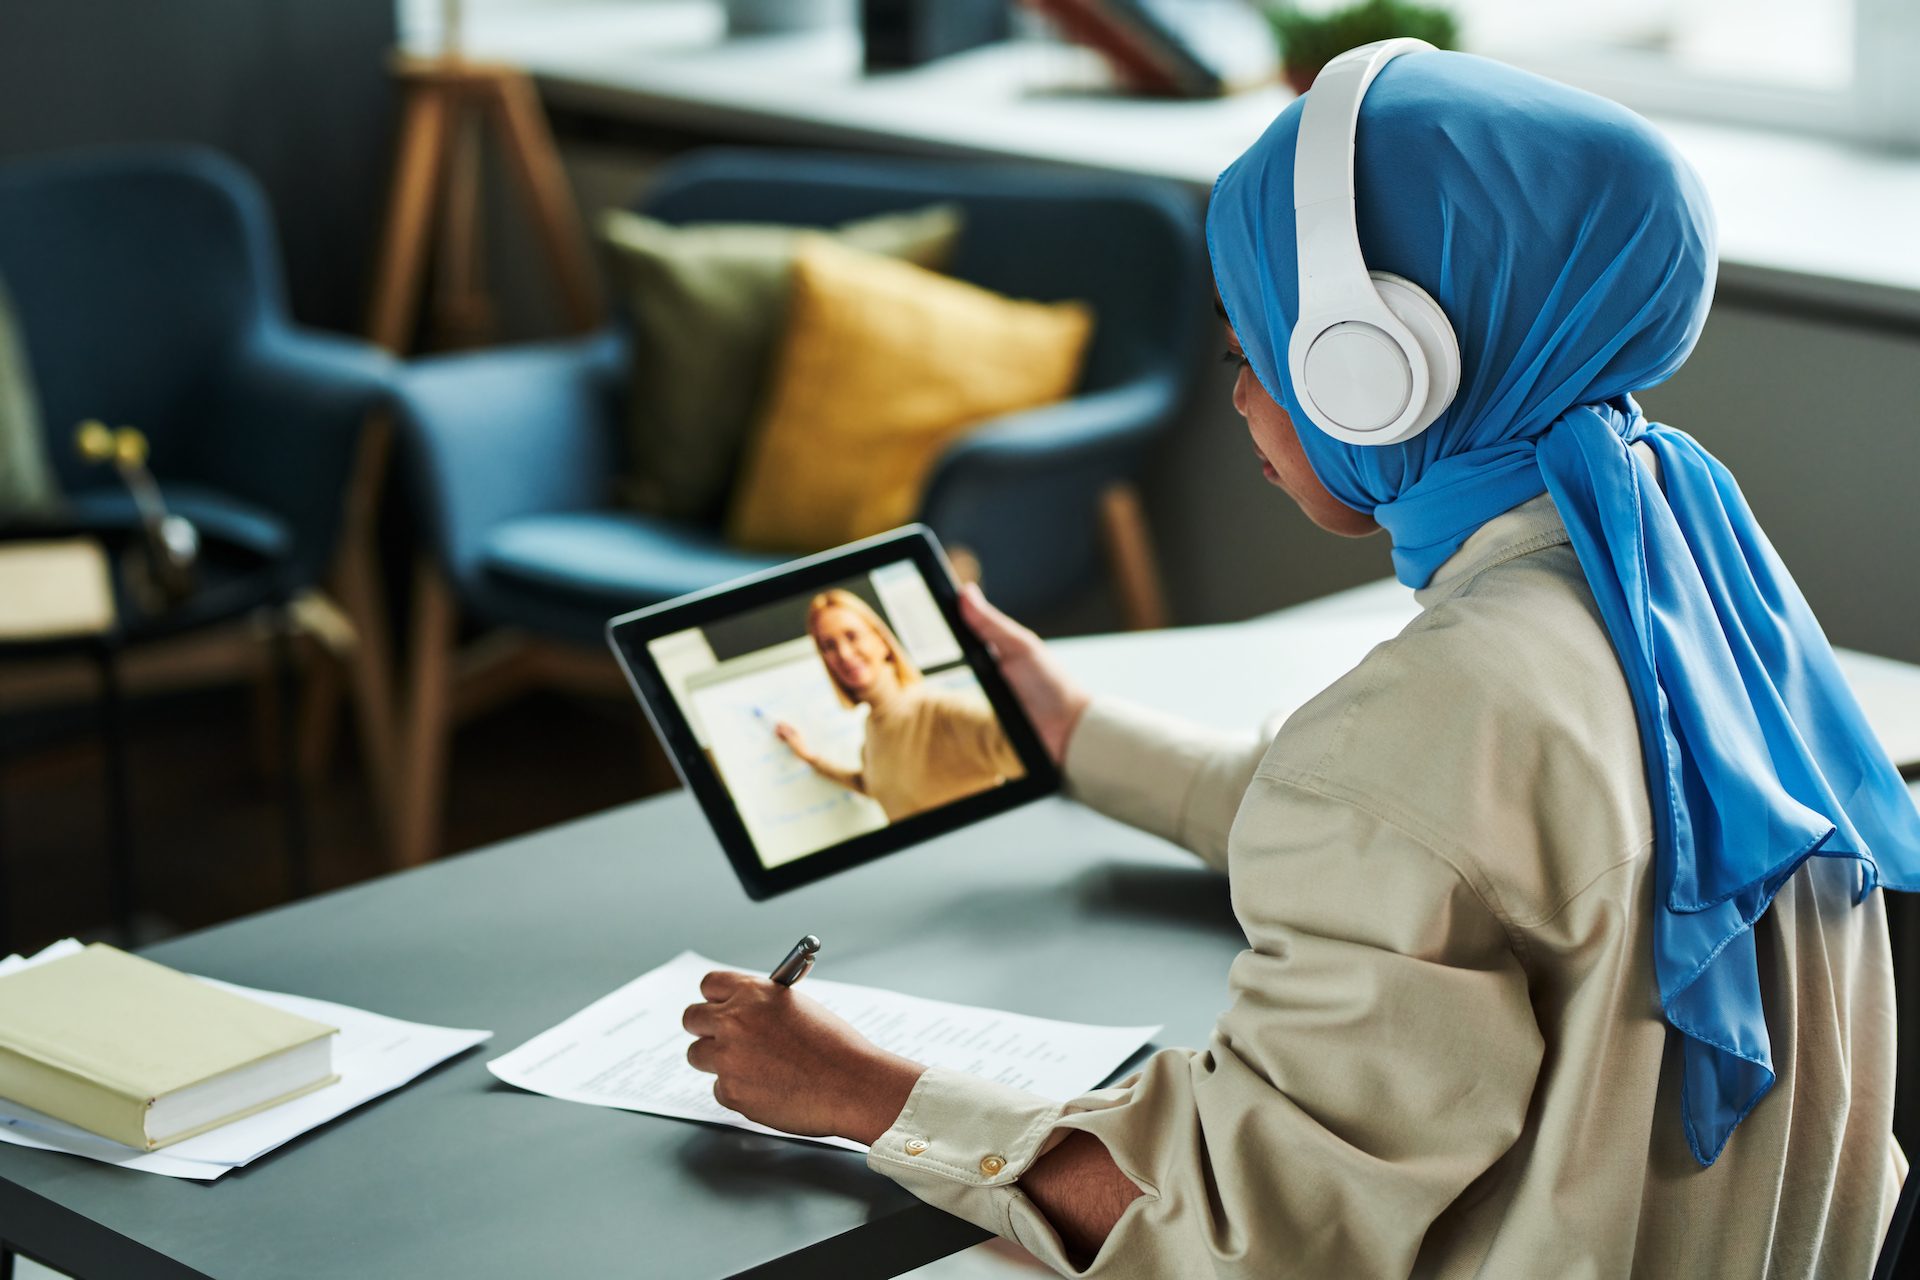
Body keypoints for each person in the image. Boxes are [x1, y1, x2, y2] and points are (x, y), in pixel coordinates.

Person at [682, 49, 1919, 1277]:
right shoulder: (1686, 569)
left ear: (1375, 368)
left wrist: (862, 1091)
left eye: (1251, 351)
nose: (1240, 399)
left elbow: (1237, 1236)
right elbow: (1446, 841)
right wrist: (1072, 730)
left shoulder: (1437, 712)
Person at [775, 588, 1023, 822]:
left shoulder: (940, 709)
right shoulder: (871, 732)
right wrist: (810, 758)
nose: (845, 655)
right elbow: (871, 785)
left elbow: (1016, 746)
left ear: (881, 640)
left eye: (852, 636)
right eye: (829, 646)